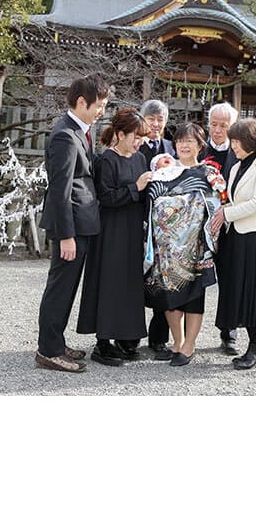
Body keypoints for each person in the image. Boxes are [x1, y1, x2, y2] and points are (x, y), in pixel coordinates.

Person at [35, 73, 109, 373]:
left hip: (81, 224)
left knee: (66, 288)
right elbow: (60, 190)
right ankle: (49, 351)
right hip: (71, 228)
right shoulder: (65, 135)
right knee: (60, 288)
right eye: (100, 105)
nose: (102, 110)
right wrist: (66, 236)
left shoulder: (80, 131)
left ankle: (55, 341)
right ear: (82, 102)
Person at [144, 122, 225, 367]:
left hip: (196, 248)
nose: (184, 145)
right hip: (167, 250)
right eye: (180, 141)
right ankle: (177, 341)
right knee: (169, 298)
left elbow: (220, 201)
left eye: (190, 141)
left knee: (193, 299)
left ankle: (189, 345)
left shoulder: (209, 173)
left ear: (200, 145)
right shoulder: (164, 172)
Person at [77, 108, 152, 366]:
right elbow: (105, 197)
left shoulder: (140, 159)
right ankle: (103, 342)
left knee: (129, 283)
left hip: (132, 229)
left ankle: (125, 337)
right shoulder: (106, 160)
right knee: (108, 282)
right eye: (135, 136)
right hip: (110, 230)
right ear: (120, 134)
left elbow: (144, 195)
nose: (139, 141)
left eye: (141, 137)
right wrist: (136, 188)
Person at [210, 118, 256, 370]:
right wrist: (221, 213)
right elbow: (231, 199)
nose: (233, 147)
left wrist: (226, 214)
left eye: (236, 142)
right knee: (238, 289)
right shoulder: (235, 167)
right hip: (237, 236)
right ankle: (248, 343)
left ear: (250, 141)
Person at [198, 102, 240, 355]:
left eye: (223, 125)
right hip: (198, 227)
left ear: (233, 127)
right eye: (213, 124)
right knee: (194, 279)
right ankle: (183, 337)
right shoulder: (199, 150)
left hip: (228, 227)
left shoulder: (240, 154)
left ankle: (229, 333)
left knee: (230, 280)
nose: (217, 130)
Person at [138, 99, 176, 360]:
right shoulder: (134, 145)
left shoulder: (171, 149)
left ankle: (159, 337)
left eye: (160, 119)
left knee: (162, 279)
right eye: (151, 118)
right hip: (138, 218)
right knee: (135, 278)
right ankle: (128, 335)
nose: (155, 123)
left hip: (164, 225)